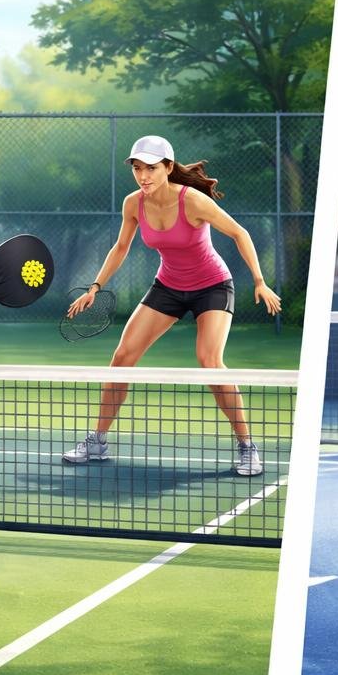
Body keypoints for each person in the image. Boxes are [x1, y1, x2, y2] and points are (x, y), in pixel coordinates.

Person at [62, 135, 281, 475]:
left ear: (167, 167)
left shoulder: (192, 201)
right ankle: (97, 441)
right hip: (168, 286)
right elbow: (120, 248)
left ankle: (247, 447)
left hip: (212, 286)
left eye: (151, 168)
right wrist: (95, 287)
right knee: (121, 358)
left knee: (210, 361)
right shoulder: (133, 203)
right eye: (137, 168)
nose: (143, 176)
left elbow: (239, 233)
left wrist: (259, 281)